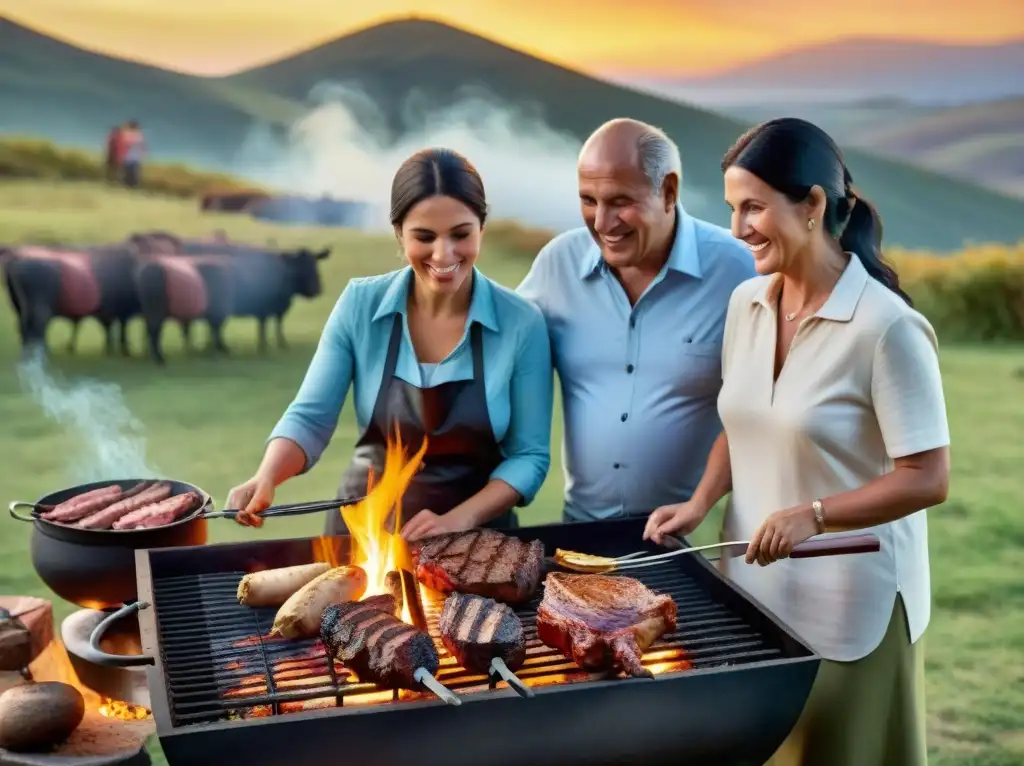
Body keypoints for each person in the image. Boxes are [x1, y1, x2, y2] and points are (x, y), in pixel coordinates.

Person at [643, 117, 950, 766]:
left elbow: (927, 477)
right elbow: (744, 420)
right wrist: (699, 502)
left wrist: (813, 516)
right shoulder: (747, 304)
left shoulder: (886, 327)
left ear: (812, 205)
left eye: (753, 207)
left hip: (853, 602)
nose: (736, 228)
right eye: (731, 208)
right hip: (756, 590)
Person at [227, 148, 553, 541]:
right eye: (424, 236)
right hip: (365, 535)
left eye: (461, 234)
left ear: (481, 226)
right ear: (399, 233)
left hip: (476, 541)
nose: (443, 254)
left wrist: (459, 520)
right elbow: (310, 418)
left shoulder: (522, 322)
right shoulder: (359, 305)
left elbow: (529, 456)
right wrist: (267, 476)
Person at [517, 118, 755, 522]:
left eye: (620, 201)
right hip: (580, 531)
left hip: (687, 539)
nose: (602, 223)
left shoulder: (740, 271)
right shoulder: (557, 265)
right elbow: (495, 345)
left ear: (669, 191)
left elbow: (761, 409)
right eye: (589, 200)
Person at [119, 120, 146, 188]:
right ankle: (131, 185)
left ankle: (128, 185)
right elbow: (142, 146)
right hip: (132, 157)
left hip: (130, 156)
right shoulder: (138, 135)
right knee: (131, 172)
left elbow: (125, 143)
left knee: (129, 172)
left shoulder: (130, 134)